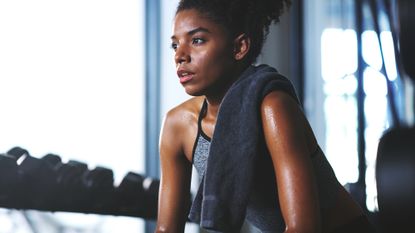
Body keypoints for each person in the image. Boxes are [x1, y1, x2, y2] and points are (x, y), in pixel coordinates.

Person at [156, 0, 375, 232]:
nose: (180, 56)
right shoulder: (177, 125)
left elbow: (303, 227)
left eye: (197, 40)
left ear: (239, 47)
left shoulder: (273, 107)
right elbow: (165, 230)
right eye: (175, 45)